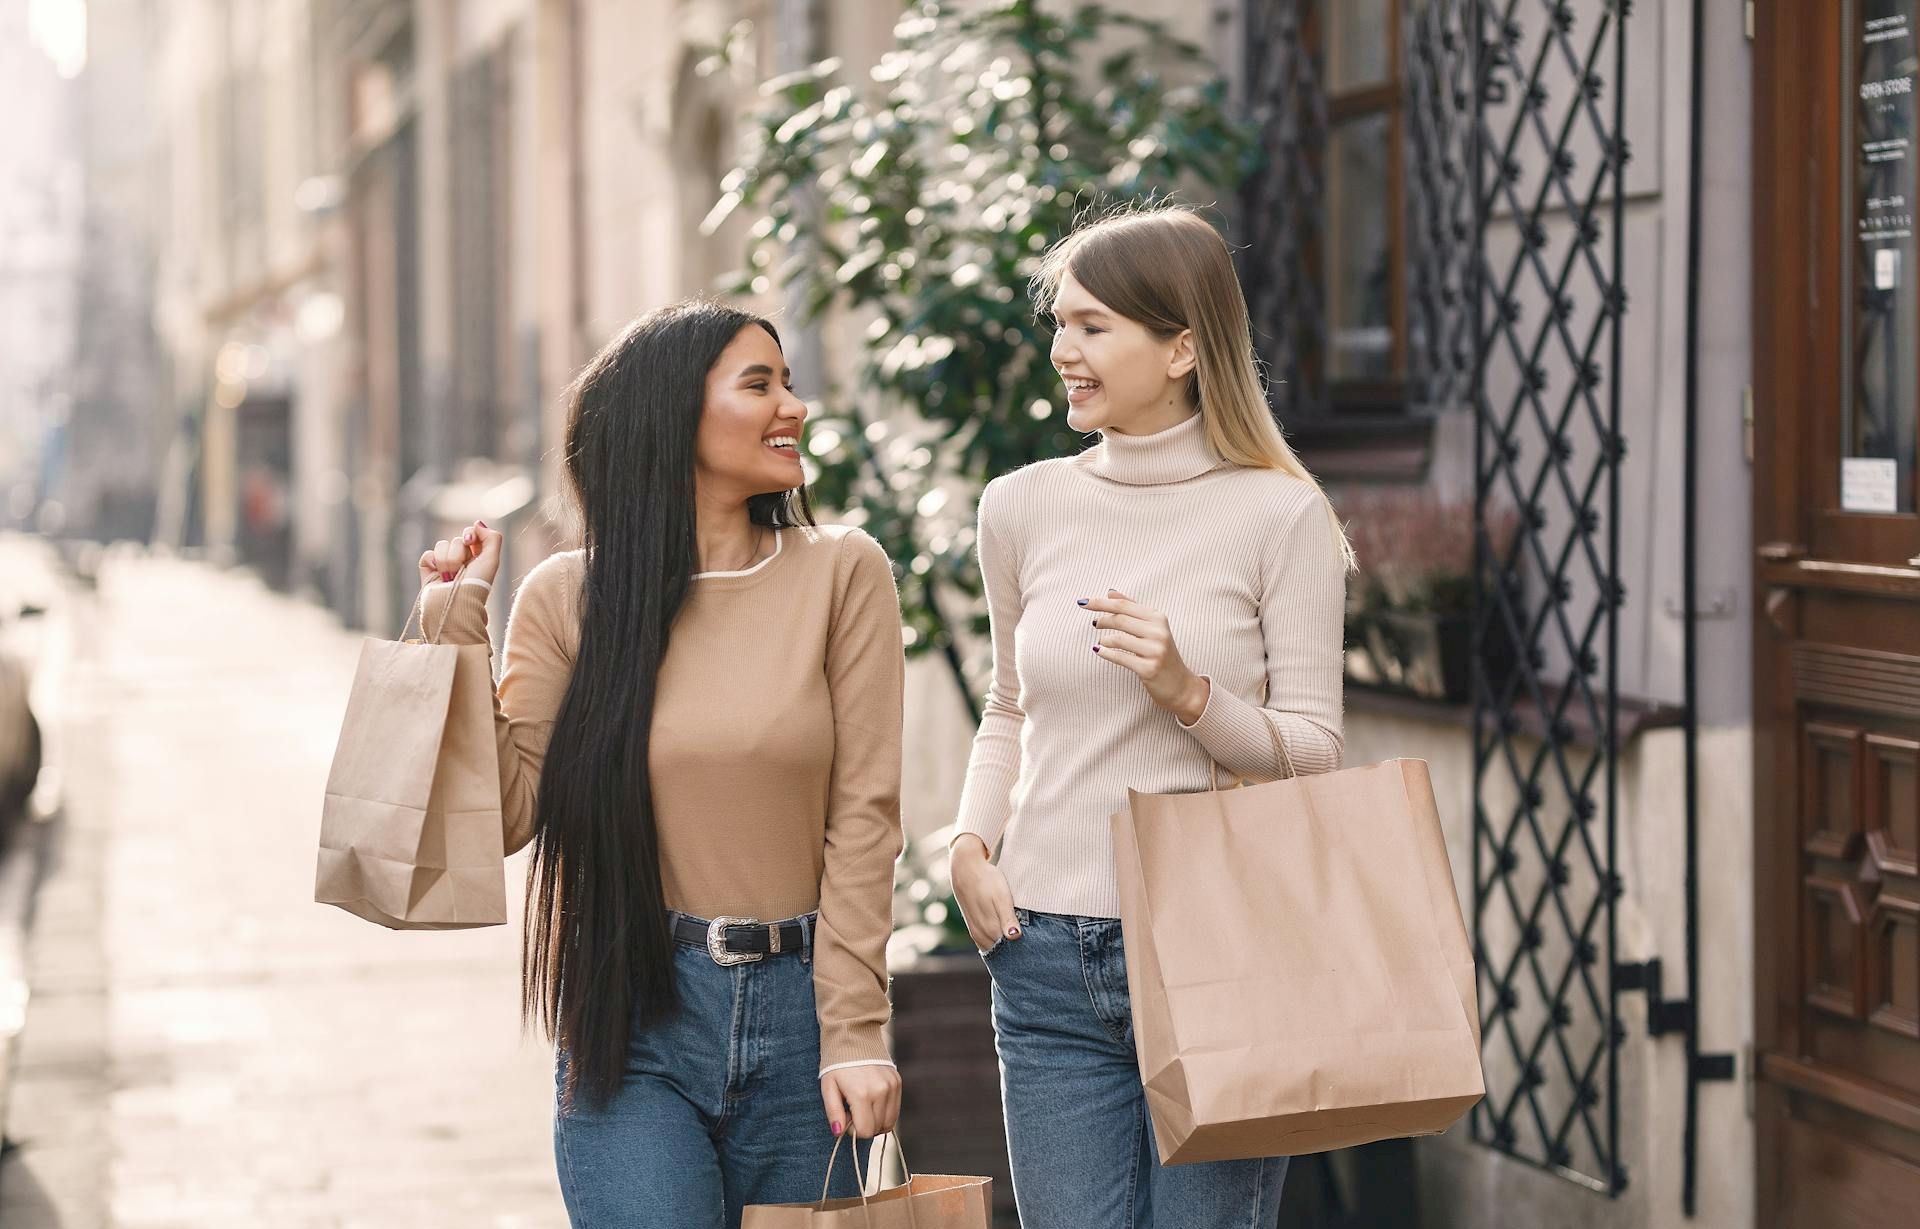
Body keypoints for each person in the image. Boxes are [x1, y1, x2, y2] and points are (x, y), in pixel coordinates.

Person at [418, 300, 905, 1229]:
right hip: (635, 1016)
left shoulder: (843, 573)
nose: (793, 406)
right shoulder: (568, 597)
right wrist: (457, 621)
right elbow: (511, 813)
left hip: (804, 1022)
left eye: (789, 382)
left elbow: (865, 818)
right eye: (759, 384)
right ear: (671, 414)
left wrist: (855, 1027)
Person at [947, 206, 1351, 1227]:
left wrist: (1189, 695)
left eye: (1093, 326)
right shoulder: (1020, 505)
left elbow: (1315, 751)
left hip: (1219, 944)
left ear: (1181, 348)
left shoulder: (1280, 514)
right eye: (1060, 323)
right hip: (1042, 951)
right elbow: (1008, 705)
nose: (1062, 350)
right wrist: (967, 843)